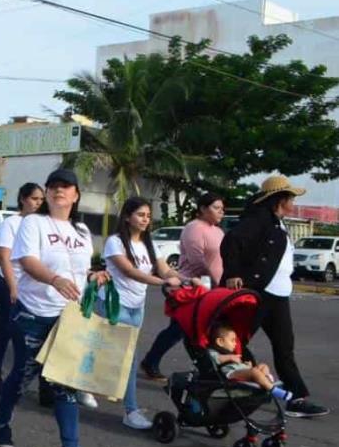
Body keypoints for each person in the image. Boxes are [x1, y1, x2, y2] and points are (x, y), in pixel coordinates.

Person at [0, 168, 109, 447]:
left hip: (68, 318)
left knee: (64, 382)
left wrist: (94, 276)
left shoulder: (82, 231)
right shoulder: (34, 223)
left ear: (76, 194)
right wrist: (54, 279)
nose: (59, 191)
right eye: (54, 186)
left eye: (66, 186)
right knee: (22, 375)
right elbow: (28, 262)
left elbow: (79, 270)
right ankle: (2, 422)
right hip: (33, 313)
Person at [221, 175, 328, 418]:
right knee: (235, 341)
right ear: (279, 200)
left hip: (278, 294)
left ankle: (295, 397)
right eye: (291, 197)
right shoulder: (258, 220)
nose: (293, 201)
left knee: (284, 346)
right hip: (257, 293)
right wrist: (233, 273)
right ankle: (250, 378)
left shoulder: (278, 222)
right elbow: (231, 241)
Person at [97, 197, 186, 431]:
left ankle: (80, 387)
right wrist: (161, 282)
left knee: (109, 353)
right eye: (140, 215)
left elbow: (164, 267)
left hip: (137, 306)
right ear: (127, 217)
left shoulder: (149, 243)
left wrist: (184, 279)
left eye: (148, 215)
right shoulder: (115, 242)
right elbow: (130, 271)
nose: (145, 219)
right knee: (128, 358)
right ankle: (131, 410)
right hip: (114, 305)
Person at [140, 193, 225, 382]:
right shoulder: (194, 228)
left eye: (222, 208)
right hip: (191, 286)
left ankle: (207, 370)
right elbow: (197, 260)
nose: (221, 212)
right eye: (216, 208)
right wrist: (213, 280)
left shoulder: (218, 231)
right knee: (179, 329)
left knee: (195, 330)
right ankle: (150, 361)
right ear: (203, 209)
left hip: (212, 288)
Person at [0, 182, 44, 394]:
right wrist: (12, 287)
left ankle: (31, 379)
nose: (38, 203)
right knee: (6, 329)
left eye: (41, 200)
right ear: (22, 199)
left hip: (30, 287)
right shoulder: (11, 223)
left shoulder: (41, 224)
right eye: (34, 199)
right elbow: (4, 257)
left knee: (30, 334)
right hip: (8, 284)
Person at [207, 321, 293, 402]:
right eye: (232, 340)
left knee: (263, 366)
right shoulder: (214, 351)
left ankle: (266, 380)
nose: (235, 343)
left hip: (239, 370)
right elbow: (214, 358)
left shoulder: (230, 352)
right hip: (230, 373)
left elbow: (238, 365)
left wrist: (244, 365)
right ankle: (273, 389)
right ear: (220, 342)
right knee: (254, 372)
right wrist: (230, 357)